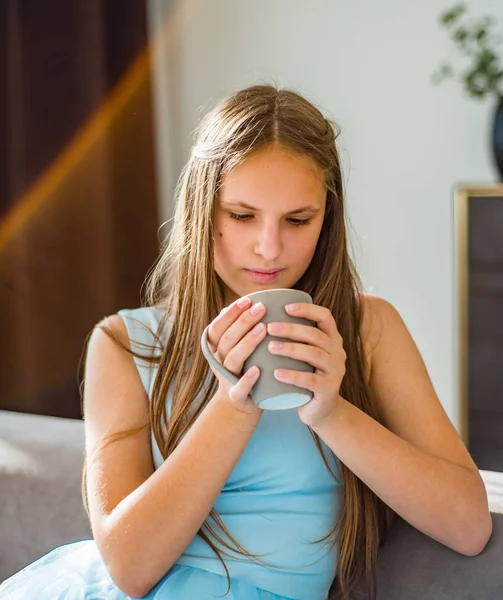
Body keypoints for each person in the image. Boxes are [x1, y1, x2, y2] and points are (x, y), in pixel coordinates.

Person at [0, 84, 492, 600]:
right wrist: (233, 406)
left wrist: (331, 413)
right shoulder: (126, 344)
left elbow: (468, 525)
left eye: (298, 220)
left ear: (328, 220)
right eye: (241, 216)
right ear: (201, 210)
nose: (269, 247)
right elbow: (129, 567)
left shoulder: (369, 329)